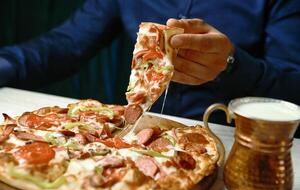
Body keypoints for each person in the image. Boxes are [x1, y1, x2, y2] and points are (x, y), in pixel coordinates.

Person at [0, 0, 300, 136]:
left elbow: (293, 85)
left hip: (229, 141)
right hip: (126, 137)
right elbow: (66, 44)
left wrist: (232, 64)